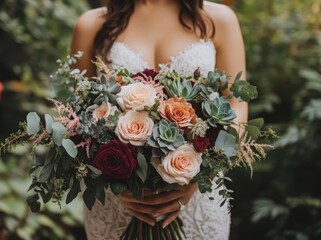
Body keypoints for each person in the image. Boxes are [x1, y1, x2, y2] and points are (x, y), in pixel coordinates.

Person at [70, 0, 247, 239]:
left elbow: (237, 104)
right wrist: (115, 182)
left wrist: (197, 175)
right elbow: (76, 116)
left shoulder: (219, 19)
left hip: (195, 200)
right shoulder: (92, 25)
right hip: (117, 201)